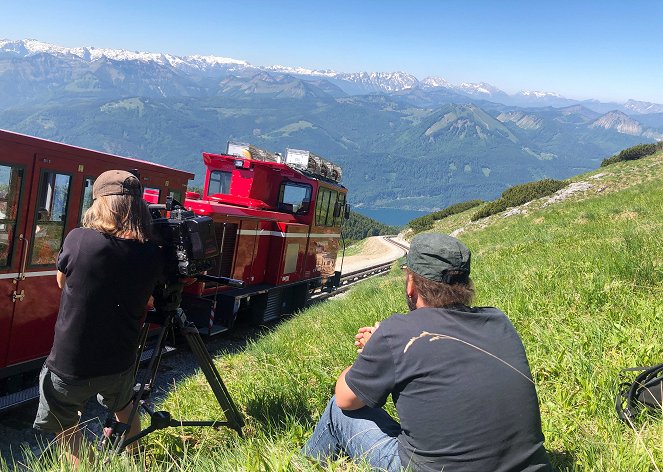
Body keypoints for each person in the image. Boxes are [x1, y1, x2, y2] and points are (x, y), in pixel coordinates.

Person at [303, 233, 552, 471]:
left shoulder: (396, 333)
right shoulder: (499, 321)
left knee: (337, 410)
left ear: (412, 283)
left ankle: (296, 465)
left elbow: (346, 397)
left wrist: (375, 348)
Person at [33, 170, 163, 466]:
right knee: (126, 408)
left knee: (67, 429)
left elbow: (62, 283)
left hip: (71, 363)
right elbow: (150, 299)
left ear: (100, 203)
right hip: (119, 360)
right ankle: (137, 460)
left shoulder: (80, 240)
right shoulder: (151, 254)